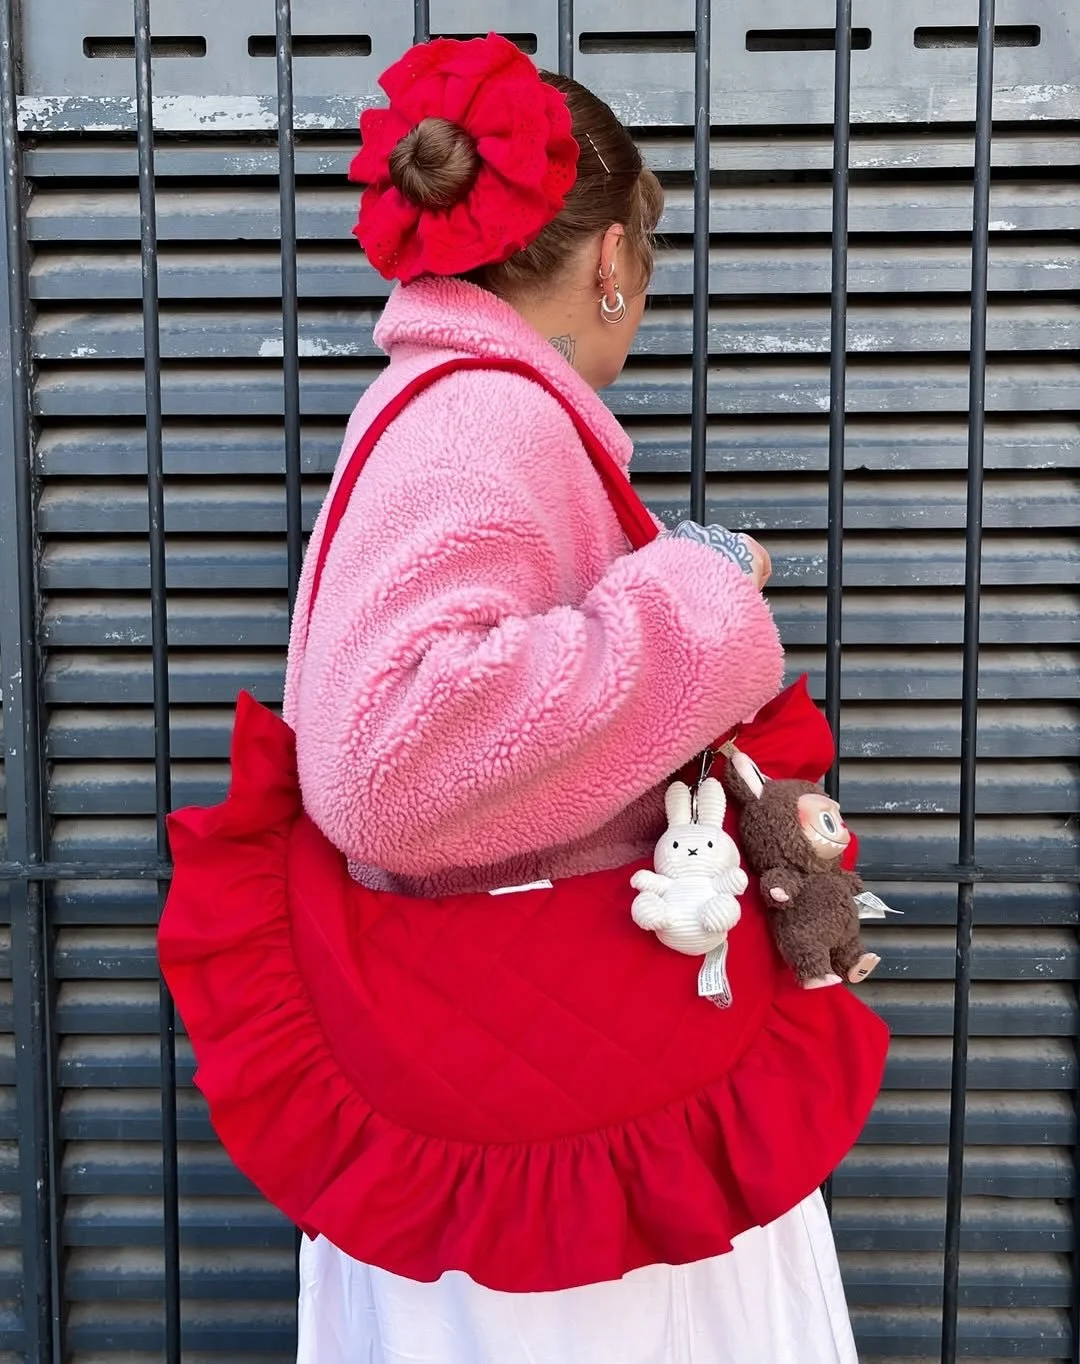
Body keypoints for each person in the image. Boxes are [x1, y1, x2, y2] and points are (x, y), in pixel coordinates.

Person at [158, 33, 887, 1364]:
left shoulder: (471, 414)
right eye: (650, 263)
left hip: (529, 1076)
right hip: (550, 1130)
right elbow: (393, 764)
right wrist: (694, 594)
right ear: (610, 259)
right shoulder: (475, 423)